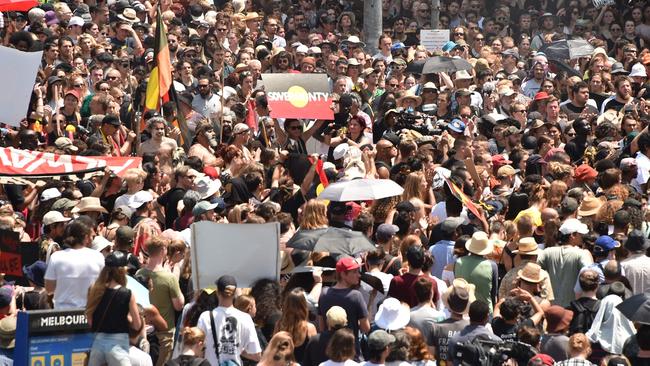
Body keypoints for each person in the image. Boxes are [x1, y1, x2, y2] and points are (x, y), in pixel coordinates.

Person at [87, 251, 142, 366]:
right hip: (118, 345)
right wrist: (127, 318)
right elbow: (137, 325)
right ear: (122, 271)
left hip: (97, 344)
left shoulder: (94, 290)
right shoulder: (127, 294)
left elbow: (90, 321)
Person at [135, 238, 185, 366]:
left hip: (143, 332)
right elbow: (179, 306)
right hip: (164, 335)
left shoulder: (138, 273)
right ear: (163, 250)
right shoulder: (169, 277)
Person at [197, 275, 262, 365]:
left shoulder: (205, 317)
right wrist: (239, 350)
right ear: (234, 293)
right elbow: (256, 355)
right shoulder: (245, 318)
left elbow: (197, 348)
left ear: (217, 292)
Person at [44, 220, 105, 309]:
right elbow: (103, 286)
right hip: (89, 312)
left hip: (62, 314)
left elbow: (49, 288)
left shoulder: (56, 257)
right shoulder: (98, 256)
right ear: (86, 237)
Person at [318, 257, 370, 347]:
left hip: (329, 349)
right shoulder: (356, 296)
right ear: (343, 274)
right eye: (354, 272)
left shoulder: (324, 293)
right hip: (351, 350)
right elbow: (366, 328)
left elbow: (322, 327)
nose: (359, 275)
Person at [448, 300, 501, 366]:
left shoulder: (454, 339)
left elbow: (450, 363)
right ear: (487, 317)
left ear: (469, 315)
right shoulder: (497, 341)